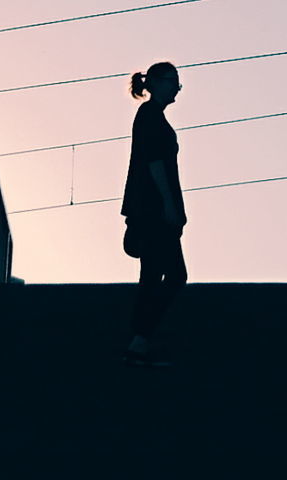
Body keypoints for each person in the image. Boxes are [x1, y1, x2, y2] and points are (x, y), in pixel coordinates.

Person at [121, 61, 188, 366]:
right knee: (173, 275)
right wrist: (170, 206)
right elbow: (155, 165)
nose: (178, 87)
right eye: (174, 80)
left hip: (148, 209)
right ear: (159, 82)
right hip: (154, 211)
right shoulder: (151, 117)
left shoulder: (151, 116)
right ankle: (140, 338)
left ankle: (139, 341)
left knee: (153, 274)